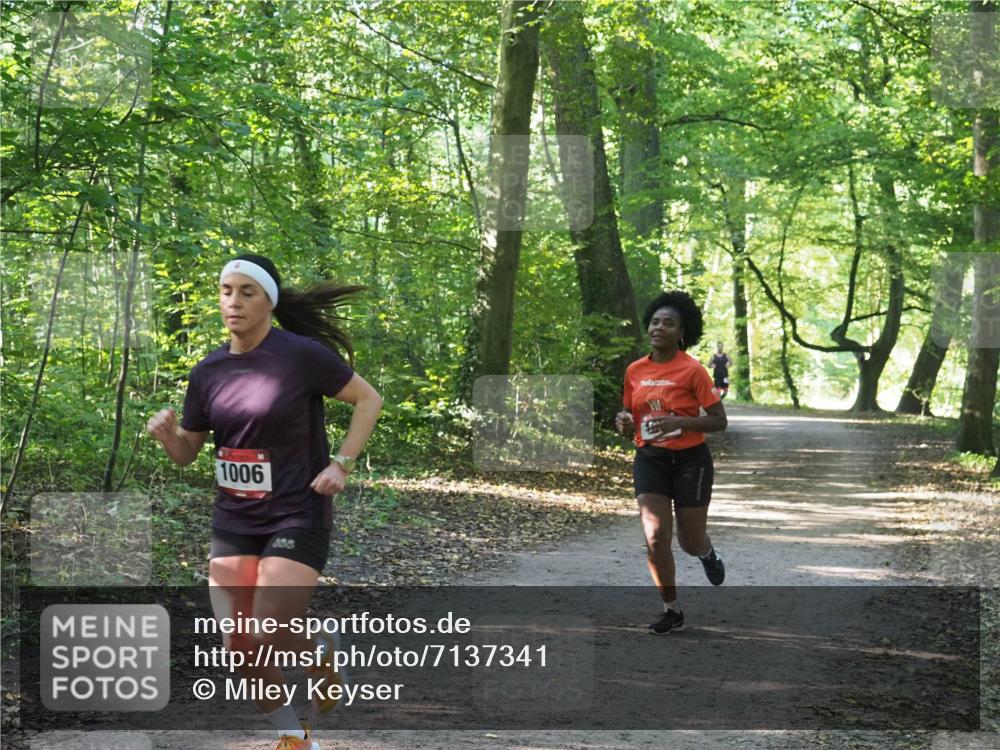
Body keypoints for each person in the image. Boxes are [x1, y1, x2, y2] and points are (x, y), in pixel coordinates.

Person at [147, 254, 383, 750]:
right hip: (235, 517)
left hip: (297, 510)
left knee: (269, 626)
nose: (233, 301)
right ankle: (294, 737)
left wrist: (341, 463)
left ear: (269, 302)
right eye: (226, 291)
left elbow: (369, 399)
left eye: (246, 292)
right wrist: (169, 438)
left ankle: (319, 649)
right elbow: (188, 453)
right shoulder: (207, 371)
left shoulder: (300, 355)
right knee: (238, 644)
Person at [615, 291, 727, 635]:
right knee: (655, 536)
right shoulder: (635, 370)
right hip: (650, 459)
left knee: (689, 542)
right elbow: (629, 414)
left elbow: (719, 420)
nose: (659, 327)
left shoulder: (693, 370)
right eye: (654, 322)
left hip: (691, 461)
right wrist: (623, 421)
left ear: (682, 332)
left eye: (668, 323)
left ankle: (706, 552)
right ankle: (671, 610)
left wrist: (680, 422)